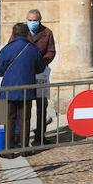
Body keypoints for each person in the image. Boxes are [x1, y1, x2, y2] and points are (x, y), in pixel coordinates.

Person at [0, 22, 44, 157]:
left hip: (9, 89)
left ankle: (8, 150)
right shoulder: (33, 49)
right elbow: (40, 68)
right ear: (26, 33)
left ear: (14, 33)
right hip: (26, 89)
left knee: (9, 119)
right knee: (25, 119)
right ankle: (24, 148)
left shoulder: (7, 49)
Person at [26, 9, 56, 144]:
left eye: (34, 20)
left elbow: (51, 51)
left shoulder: (47, 33)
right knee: (25, 105)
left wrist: (44, 61)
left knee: (41, 105)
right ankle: (23, 136)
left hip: (41, 72)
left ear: (39, 20)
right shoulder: (21, 31)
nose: (32, 22)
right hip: (25, 72)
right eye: (30, 20)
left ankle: (40, 136)